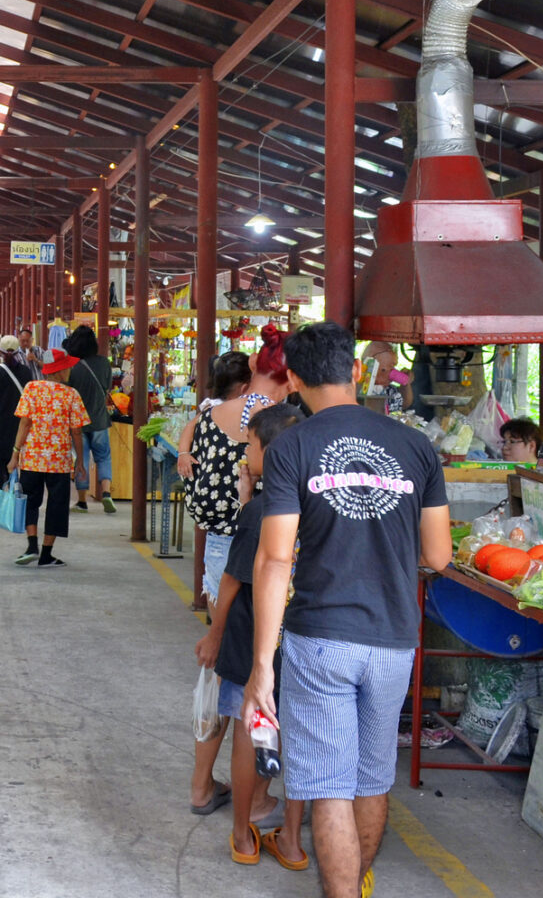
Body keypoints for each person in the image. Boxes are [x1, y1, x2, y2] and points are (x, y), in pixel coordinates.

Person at [243, 322, 452, 898]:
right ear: (357, 372)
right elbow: (438, 554)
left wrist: (263, 664)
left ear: (293, 378)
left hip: (321, 637)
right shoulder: (415, 445)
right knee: (371, 780)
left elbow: (275, 558)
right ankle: (359, 885)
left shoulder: (292, 447)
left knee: (329, 787)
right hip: (393, 637)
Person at [195, 404, 308, 871]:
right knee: (298, 736)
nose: (246, 450)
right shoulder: (311, 501)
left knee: (249, 728)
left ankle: (243, 836)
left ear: (273, 451)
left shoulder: (263, 508)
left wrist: (215, 632)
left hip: (252, 636)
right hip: (302, 636)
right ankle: (294, 842)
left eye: (253, 444)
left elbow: (232, 579)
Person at [177, 352, 255, 603]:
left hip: (219, 527)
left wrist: (184, 452)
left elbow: (190, 426)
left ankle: (219, 637)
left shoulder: (211, 412)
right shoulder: (253, 411)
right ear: (246, 386)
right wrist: (183, 452)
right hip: (246, 526)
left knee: (218, 593)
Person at [7, 349, 89, 568]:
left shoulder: (31, 389)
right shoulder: (71, 394)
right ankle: (46, 554)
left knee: (30, 501)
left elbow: (24, 423)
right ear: (60, 370)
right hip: (59, 461)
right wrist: (79, 460)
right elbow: (77, 432)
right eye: (68, 366)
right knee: (57, 505)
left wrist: (15, 454)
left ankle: (31, 544)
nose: (70, 370)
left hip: (32, 458)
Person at [61, 324, 118, 514]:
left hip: (78, 422)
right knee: (104, 457)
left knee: (81, 460)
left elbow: (66, 390)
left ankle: (82, 501)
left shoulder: (71, 365)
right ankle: (107, 493)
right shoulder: (104, 363)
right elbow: (108, 388)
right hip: (100, 419)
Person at [0, 335, 33, 512]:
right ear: (18, 352)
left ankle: (1, 504)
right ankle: (19, 500)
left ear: (0, 351)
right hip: (19, 426)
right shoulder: (26, 372)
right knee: (18, 464)